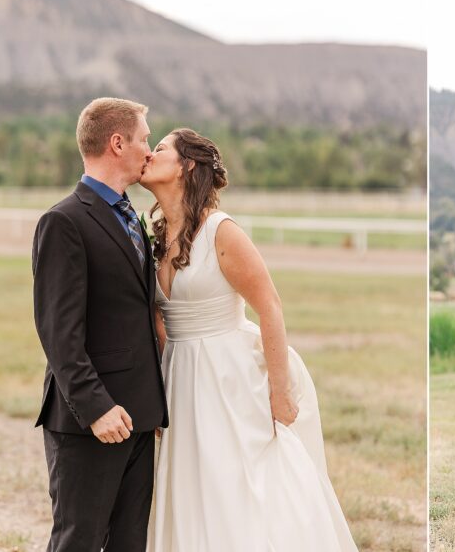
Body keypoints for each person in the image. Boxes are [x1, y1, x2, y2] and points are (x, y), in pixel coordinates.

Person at [141, 128, 357, 551]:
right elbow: (160, 324)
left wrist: (280, 393)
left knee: (238, 484)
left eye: (160, 148)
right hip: (180, 380)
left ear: (186, 166)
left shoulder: (221, 232)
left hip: (228, 378)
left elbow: (270, 306)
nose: (149, 153)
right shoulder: (155, 235)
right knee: (190, 485)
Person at [32, 97, 168, 552]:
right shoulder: (64, 221)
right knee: (81, 541)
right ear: (117, 143)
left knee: (130, 542)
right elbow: (59, 331)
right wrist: (95, 408)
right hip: (89, 420)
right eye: (145, 139)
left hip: (139, 418)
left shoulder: (133, 216)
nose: (149, 151)